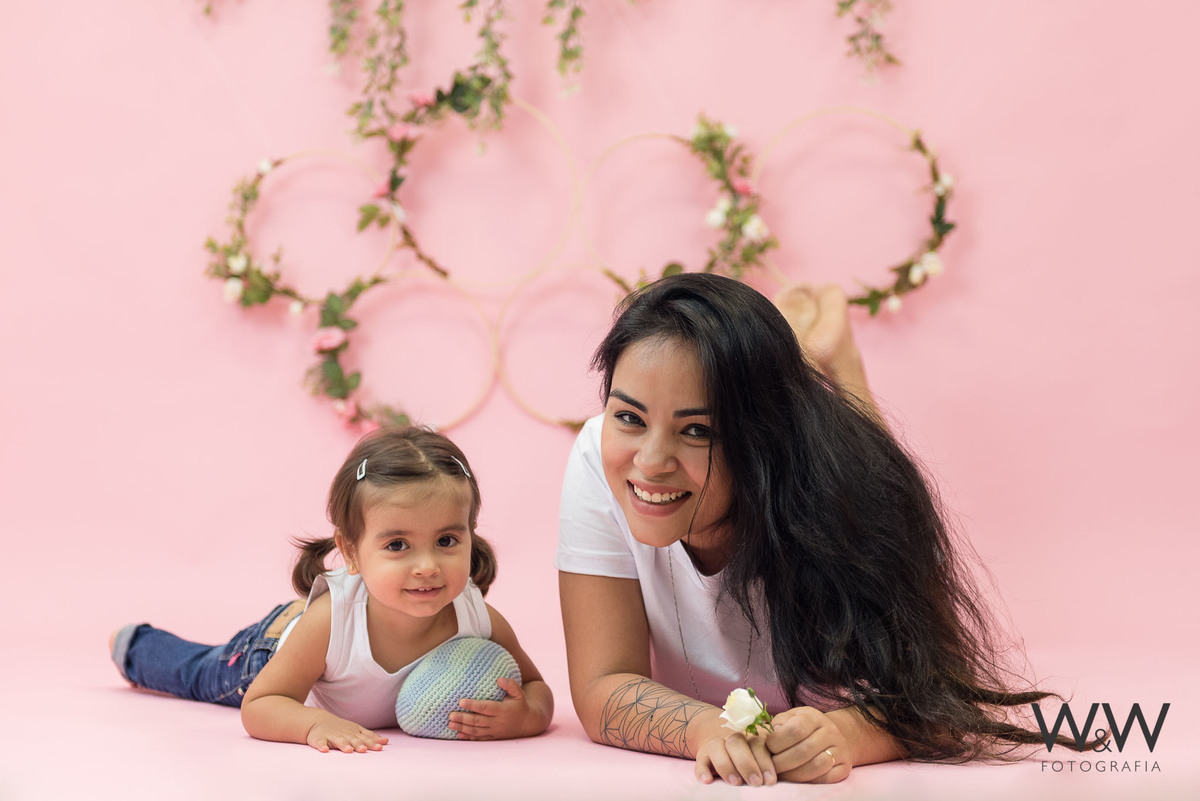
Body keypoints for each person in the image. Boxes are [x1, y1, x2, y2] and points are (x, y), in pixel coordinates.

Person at [556, 273, 1081, 786]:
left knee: (873, 482)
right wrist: (707, 730)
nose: (649, 462)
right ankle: (807, 361)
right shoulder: (598, 457)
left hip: (841, 491)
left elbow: (939, 694)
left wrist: (842, 734)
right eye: (629, 417)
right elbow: (603, 682)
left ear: (764, 443)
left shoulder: (844, 503)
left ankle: (836, 364)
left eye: (698, 430)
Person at [111, 427, 553, 752]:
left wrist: (526, 716)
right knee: (200, 673)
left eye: (447, 541)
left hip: (316, 634)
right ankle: (135, 646)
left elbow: (538, 688)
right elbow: (262, 704)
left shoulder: (476, 617)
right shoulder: (332, 622)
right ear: (352, 552)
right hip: (269, 653)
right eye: (397, 545)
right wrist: (312, 724)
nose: (427, 567)